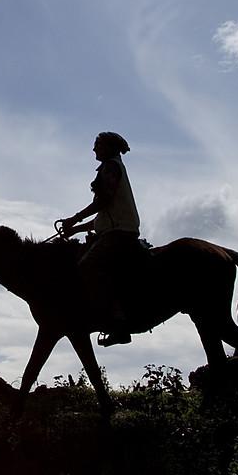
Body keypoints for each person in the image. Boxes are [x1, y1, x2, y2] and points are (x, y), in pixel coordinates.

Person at [56, 130, 143, 345]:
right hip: (117, 229)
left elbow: (102, 202)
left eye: (98, 145)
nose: (94, 149)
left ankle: (117, 319)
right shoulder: (111, 167)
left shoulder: (110, 167)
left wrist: (74, 219)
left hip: (119, 232)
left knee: (88, 266)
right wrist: (75, 229)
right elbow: (104, 214)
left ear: (108, 148)